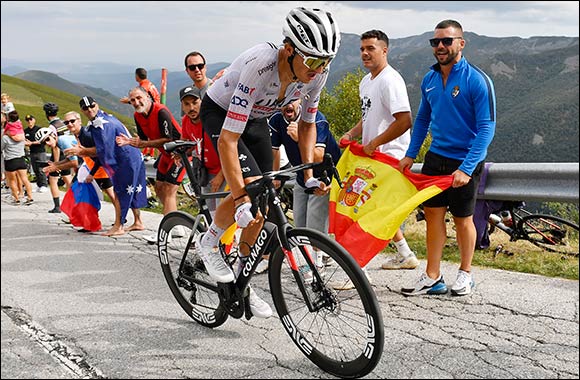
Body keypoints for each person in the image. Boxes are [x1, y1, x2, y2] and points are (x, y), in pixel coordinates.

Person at [197, 7, 341, 319]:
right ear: (289, 50)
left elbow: (306, 125)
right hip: (221, 112)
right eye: (314, 60)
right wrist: (238, 199)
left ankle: (241, 282)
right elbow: (227, 141)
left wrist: (310, 174)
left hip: (258, 118)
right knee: (249, 191)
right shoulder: (260, 65)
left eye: (326, 61)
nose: (320, 69)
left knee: (261, 206)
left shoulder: (318, 72)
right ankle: (208, 243)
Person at [399, 20, 496, 297]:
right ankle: (433, 276)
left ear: (461, 43)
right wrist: (410, 155)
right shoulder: (429, 79)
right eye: (436, 42)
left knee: (463, 218)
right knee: (432, 216)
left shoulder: (476, 79)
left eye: (447, 41)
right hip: (435, 158)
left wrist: (466, 168)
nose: (441, 46)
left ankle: (465, 274)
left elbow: (487, 128)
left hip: (465, 160)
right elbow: (422, 119)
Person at [340, 29, 419, 271]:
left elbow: (404, 120)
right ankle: (406, 255)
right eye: (362, 49)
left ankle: (355, 270)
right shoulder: (367, 81)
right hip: (372, 158)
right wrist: (352, 134)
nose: (365, 53)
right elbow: (369, 116)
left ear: (384, 50)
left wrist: (374, 143)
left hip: (389, 158)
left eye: (370, 48)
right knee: (376, 209)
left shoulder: (389, 80)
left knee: (360, 208)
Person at [255, 99, 341, 275]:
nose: (289, 105)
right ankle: (313, 258)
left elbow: (318, 157)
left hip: (324, 175)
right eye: (285, 102)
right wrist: (274, 175)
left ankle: (318, 264)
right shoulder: (277, 119)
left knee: (314, 223)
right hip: (302, 174)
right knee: (300, 222)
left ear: (301, 100)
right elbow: (273, 150)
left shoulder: (317, 119)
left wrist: (300, 137)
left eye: (293, 101)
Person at [117, 87, 183, 241]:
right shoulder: (138, 115)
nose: (136, 102)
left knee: (169, 190)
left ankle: (166, 231)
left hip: (180, 154)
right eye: (132, 100)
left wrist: (142, 143)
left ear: (147, 97)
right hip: (165, 154)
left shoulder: (161, 112)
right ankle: (177, 226)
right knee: (159, 188)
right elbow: (143, 138)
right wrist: (132, 142)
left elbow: (167, 138)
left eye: (139, 98)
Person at [77, 96, 147, 236]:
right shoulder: (105, 117)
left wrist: (81, 151)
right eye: (86, 108)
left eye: (91, 106)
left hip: (126, 160)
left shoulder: (102, 124)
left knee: (121, 191)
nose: (90, 110)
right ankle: (138, 222)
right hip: (133, 156)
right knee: (132, 189)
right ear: (82, 110)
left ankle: (118, 226)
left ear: (96, 105)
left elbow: (103, 150)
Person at [179, 85, 224, 218]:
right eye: (186, 104)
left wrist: (221, 176)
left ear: (201, 101)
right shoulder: (186, 121)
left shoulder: (212, 120)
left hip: (223, 173)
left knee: (223, 216)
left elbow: (231, 149)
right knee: (210, 215)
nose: (191, 108)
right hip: (205, 173)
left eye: (195, 102)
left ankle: (228, 240)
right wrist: (180, 153)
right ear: (182, 106)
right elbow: (187, 142)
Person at [37, 126, 78, 213]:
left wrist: (56, 167)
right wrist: (56, 164)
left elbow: (75, 163)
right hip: (86, 161)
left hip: (91, 160)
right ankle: (75, 213)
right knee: (74, 186)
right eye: (44, 143)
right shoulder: (60, 142)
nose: (47, 143)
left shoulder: (62, 141)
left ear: (53, 135)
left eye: (47, 139)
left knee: (76, 187)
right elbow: (69, 159)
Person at [1, 110, 34, 205]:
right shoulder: (22, 135)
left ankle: (16, 199)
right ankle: (30, 197)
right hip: (21, 159)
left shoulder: (5, 137)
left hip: (10, 161)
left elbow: (1, 147)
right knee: (25, 179)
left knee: (11, 180)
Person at [23, 114, 49, 192]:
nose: (29, 122)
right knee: (35, 169)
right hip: (32, 152)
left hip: (40, 151)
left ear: (34, 120)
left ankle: (44, 185)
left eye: (31, 119)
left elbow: (42, 140)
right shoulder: (26, 131)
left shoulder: (39, 129)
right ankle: (39, 184)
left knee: (41, 169)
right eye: (28, 120)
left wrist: (32, 143)